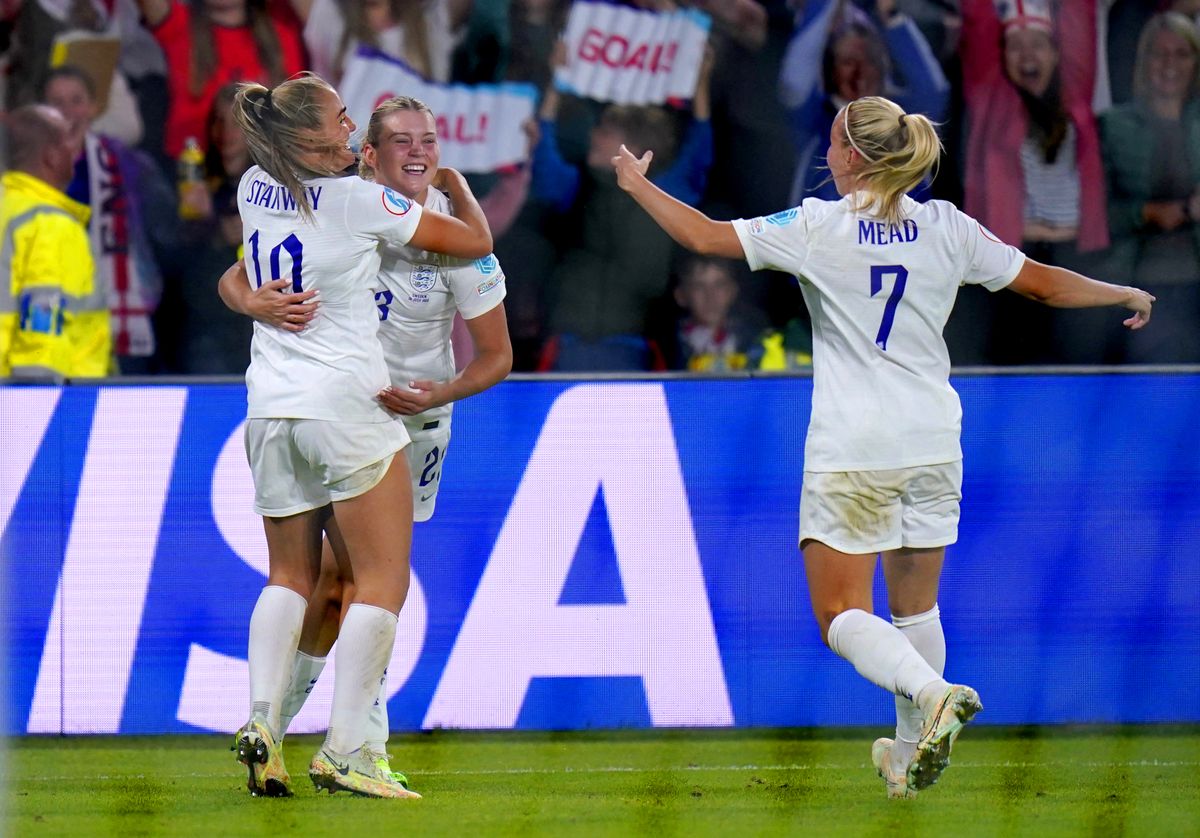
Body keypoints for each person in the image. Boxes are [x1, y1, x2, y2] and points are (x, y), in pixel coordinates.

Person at [611, 95, 1153, 798]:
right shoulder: (947, 227)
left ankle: (934, 697)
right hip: (933, 439)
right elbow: (1043, 285)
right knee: (916, 609)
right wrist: (1122, 292)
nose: (824, 154)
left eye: (832, 143)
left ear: (853, 157)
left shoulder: (819, 226)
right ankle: (907, 759)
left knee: (839, 613)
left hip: (854, 446)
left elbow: (707, 237)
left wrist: (636, 184)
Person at [218, 94, 512, 786]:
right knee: (373, 581)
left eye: (431, 141)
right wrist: (464, 192)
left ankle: (269, 724)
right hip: (354, 412)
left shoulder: (260, 186)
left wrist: (439, 391)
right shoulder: (359, 204)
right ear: (366, 156)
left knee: (312, 580)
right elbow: (478, 237)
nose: (420, 152)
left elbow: (497, 356)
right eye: (397, 138)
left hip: (338, 412)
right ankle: (353, 747)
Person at [41, 65, 173, 373]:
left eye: (75, 101)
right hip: (50, 313)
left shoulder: (129, 165)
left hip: (119, 313)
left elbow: (167, 233)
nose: (67, 112)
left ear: (93, 107)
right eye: (56, 103)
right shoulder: (24, 170)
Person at [1100, 11, 1200, 363]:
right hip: (1134, 282)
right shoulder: (1113, 127)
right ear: (1144, 61)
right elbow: (1097, 216)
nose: (1169, 63)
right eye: (1160, 53)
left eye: (1181, 54)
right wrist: (1147, 213)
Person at [1, 104, 111, 379]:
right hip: (50, 404)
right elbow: (43, 326)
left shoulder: (8, 209)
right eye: (67, 141)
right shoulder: (50, 224)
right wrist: (37, 402)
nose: (75, 151)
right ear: (50, 156)